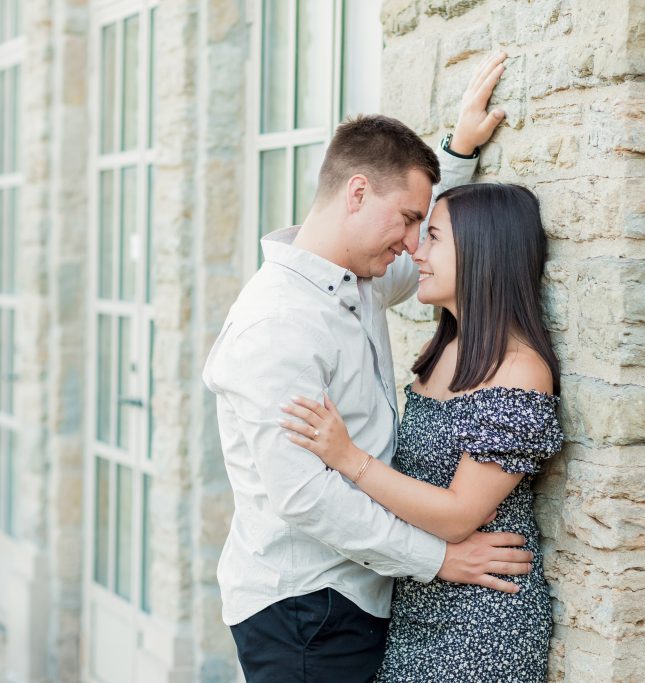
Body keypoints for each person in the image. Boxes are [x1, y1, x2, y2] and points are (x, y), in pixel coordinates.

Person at [202, 53, 535, 682]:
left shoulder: (352, 282)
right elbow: (305, 496)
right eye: (410, 219)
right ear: (357, 193)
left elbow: (427, 268)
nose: (414, 242)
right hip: (307, 606)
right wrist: (439, 558)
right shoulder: (280, 325)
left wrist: (456, 149)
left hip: (352, 594)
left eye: (421, 225)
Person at [281, 182, 564, 682]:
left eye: (433, 237)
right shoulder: (447, 349)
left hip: (481, 619)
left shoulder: (520, 371)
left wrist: (348, 458)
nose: (417, 251)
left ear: (482, 252)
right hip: (417, 603)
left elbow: (458, 516)